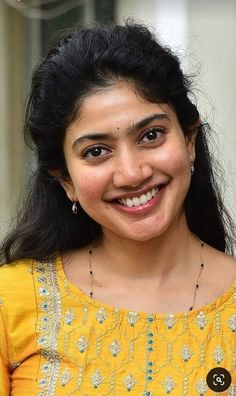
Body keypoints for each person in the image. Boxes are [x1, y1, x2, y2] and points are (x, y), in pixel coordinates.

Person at [0, 21, 235, 396]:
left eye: (151, 135)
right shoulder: (9, 303)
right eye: (96, 151)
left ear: (190, 140)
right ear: (65, 179)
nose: (131, 173)